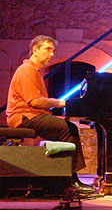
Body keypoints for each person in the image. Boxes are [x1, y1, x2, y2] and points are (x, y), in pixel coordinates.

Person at [5, 35, 95, 194]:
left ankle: (60, 178)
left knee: (65, 127)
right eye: (47, 49)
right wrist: (59, 102)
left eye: (53, 51)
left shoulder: (33, 70)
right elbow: (35, 102)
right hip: (24, 117)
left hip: (31, 115)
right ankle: (70, 180)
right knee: (69, 129)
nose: (51, 54)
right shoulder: (27, 70)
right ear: (35, 50)